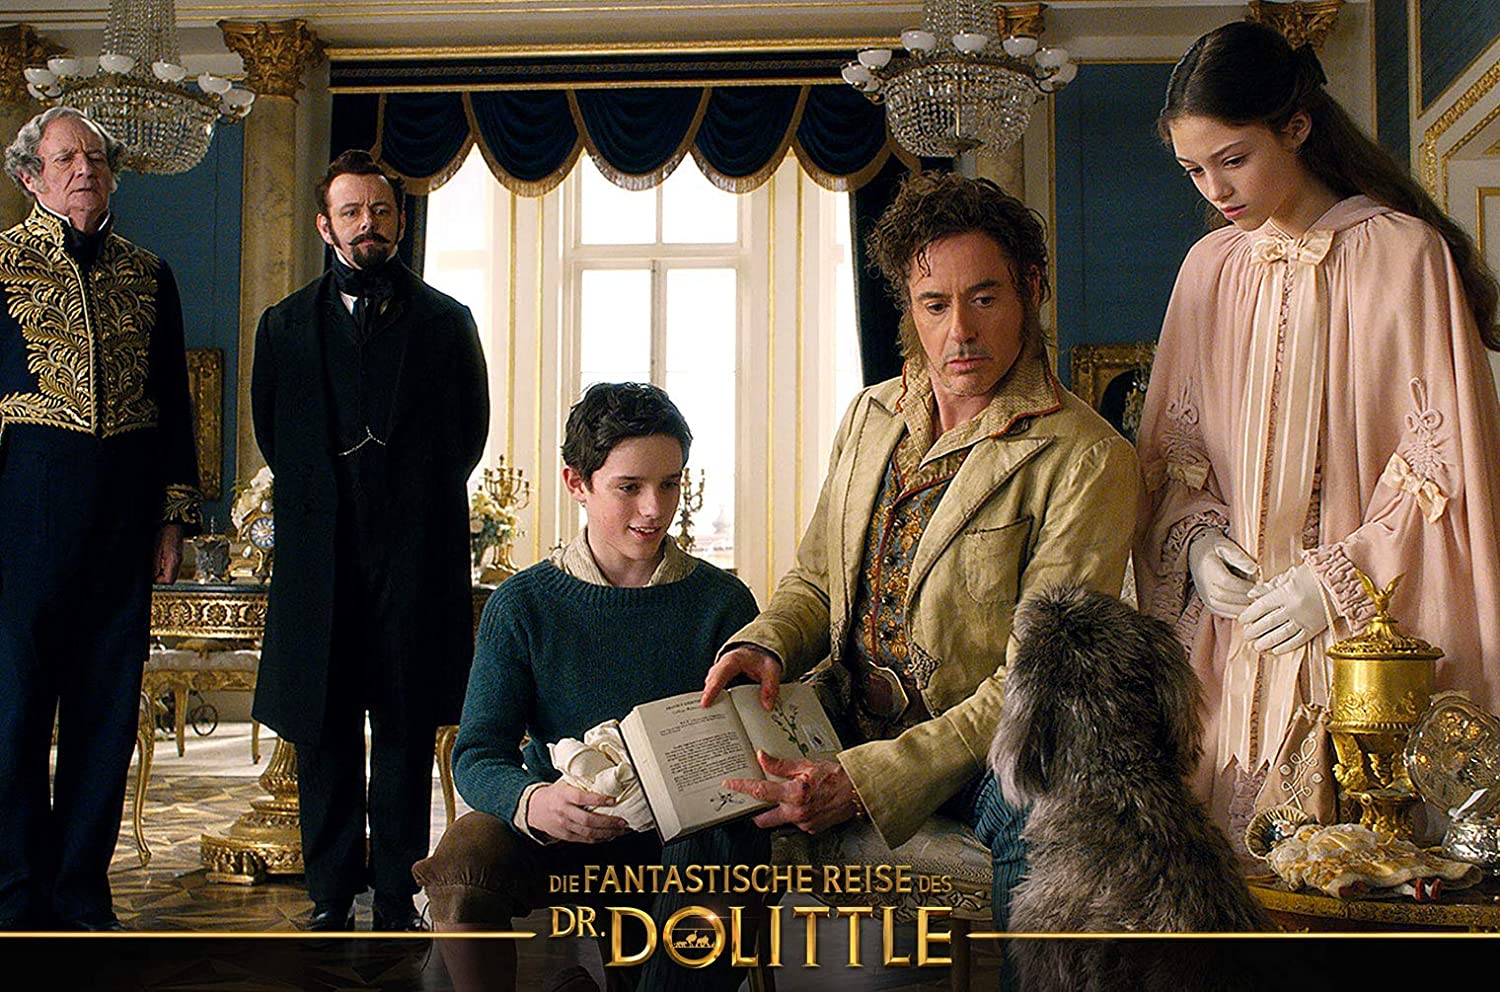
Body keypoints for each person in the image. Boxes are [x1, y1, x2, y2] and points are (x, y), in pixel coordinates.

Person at [702, 171, 1141, 931]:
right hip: (838, 712)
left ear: (1031, 290)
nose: (959, 331)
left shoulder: (1088, 457)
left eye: (984, 298)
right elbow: (816, 578)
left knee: (1037, 815)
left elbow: (1030, 683)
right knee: (705, 787)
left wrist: (868, 781)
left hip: (980, 750)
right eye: (935, 304)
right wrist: (766, 643)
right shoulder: (869, 414)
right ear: (910, 308)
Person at [1136, 20, 1500, 846]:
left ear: (1296, 126)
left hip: (1361, 654)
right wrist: (1198, 544)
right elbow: (1172, 458)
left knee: (1355, 875)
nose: (1215, 191)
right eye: (1194, 170)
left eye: (1233, 159)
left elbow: (1445, 473)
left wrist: (1335, 584)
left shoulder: (1405, 256)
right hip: (1232, 652)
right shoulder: (1207, 271)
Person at [413, 381, 765, 992]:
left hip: (684, 844)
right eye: (629, 487)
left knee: (720, 856)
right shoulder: (522, 605)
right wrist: (533, 802)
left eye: (670, 484)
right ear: (576, 483)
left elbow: (749, 744)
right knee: (466, 858)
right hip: (558, 827)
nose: (655, 509)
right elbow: (477, 753)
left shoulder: (723, 602)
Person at [250, 149, 489, 931]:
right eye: (351, 212)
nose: (368, 224)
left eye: (380, 211)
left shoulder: (448, 322)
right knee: (322, 729)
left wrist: (407, 501)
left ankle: (394, 894)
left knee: (403, 730)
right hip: (319, 561)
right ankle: (328, 894)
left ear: (400, 221)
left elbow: (470, 434)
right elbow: (273, 433)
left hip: (414, 558)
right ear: (325, 226)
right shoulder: (283, 325)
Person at [0, 107, 199, 930]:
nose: (84, 169)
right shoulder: (0, 264)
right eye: (65, 159)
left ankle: (80, 890)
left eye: (95, 158)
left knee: (104, 716)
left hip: (122, 521)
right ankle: (15, 892)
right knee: (13, 714)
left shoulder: (149, 273)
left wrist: (171, 520)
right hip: (21, 519)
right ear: (30, 178)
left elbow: (175, 405)